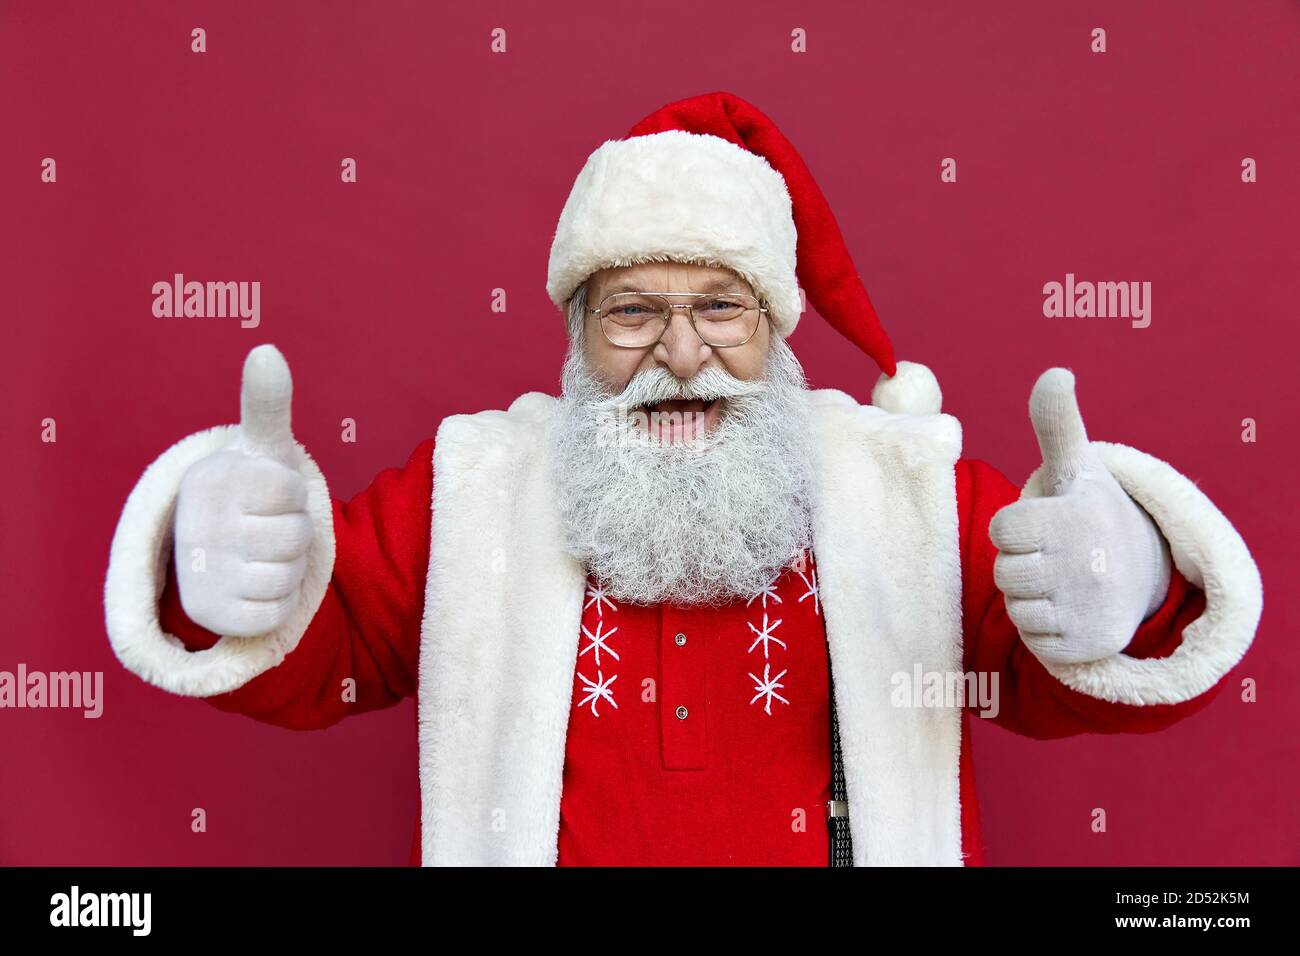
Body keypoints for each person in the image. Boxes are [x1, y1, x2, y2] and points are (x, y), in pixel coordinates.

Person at [103, 91, 1262, 866]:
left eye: (721, 306)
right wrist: (233, 565)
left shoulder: (900, 488)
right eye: (631, 312)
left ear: (777, 326)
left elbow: (1049, 675)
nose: (680, 350)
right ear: (572, 333)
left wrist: (1131, 587)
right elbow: (325, 653)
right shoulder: (473, 488)